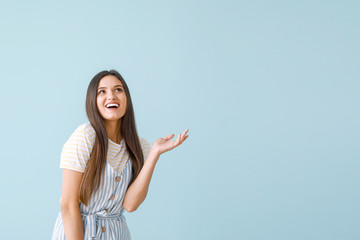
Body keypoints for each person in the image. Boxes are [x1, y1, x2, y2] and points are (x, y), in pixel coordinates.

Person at [51, 70, 189, 239]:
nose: (111, 96)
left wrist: (154, 154)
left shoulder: (140, 146)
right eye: (102, 91)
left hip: (117, 234)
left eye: (118, 90)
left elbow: (130, 205)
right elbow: (67, 204)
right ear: (93, 101)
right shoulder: (85, 136)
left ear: (127, 99)